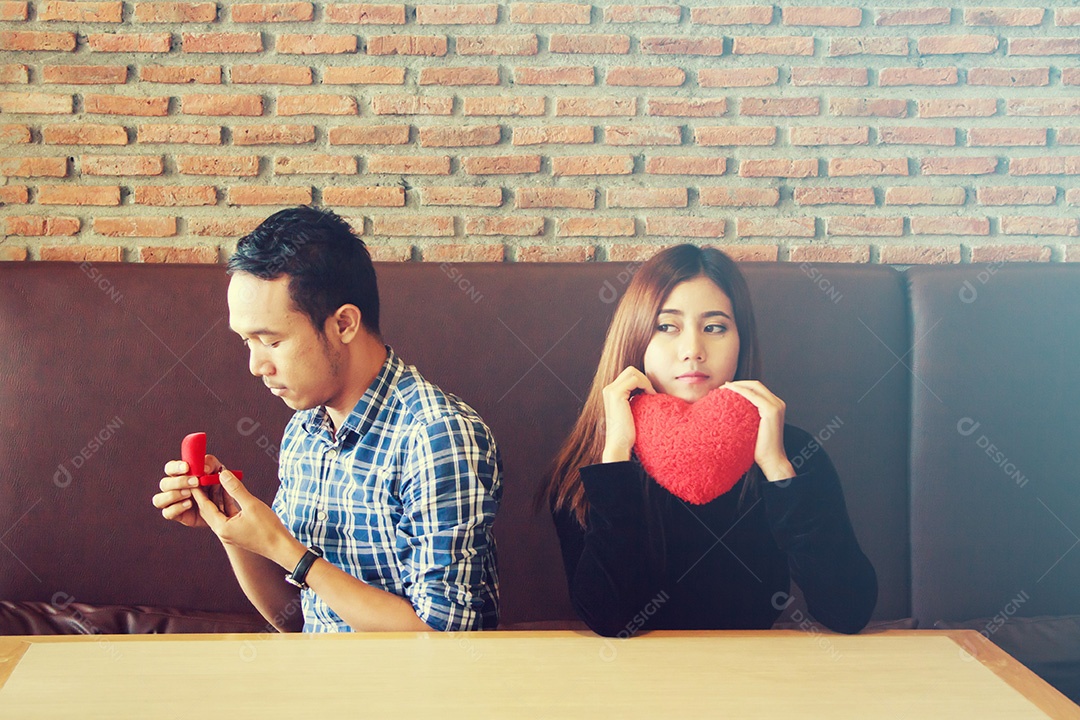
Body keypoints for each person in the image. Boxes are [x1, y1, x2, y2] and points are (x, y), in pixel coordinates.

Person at [152, 206, 501, 633]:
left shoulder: (437, 436)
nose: (256, 365)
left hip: (412, 695)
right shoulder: (305, 429)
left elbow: (444, 640)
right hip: (316, 684)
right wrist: (231, 528)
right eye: (247, 342)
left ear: (344, 324)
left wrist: (290, 552)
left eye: (272, 341)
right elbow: (299, 620)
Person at [544, 244, 877, 637]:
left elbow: (849, 610)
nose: (693, 351)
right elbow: (608, 618)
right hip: (632, 683)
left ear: (741, 339)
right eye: (667, 326)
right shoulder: (594, 461)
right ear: (636, 338)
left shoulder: (790, 451)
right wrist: (615, 458)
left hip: (756, 678)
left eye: (714, 327)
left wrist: (777, 469)